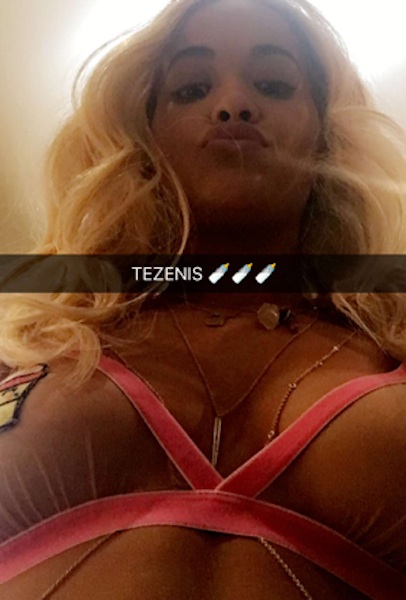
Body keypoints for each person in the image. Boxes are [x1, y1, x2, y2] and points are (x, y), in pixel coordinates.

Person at [1, 0, 406, 598]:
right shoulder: (31, 335)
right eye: (191, 88)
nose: (233, 104)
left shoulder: (393, 347)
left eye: (273, 84)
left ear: (326, 137)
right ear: (144, 140)